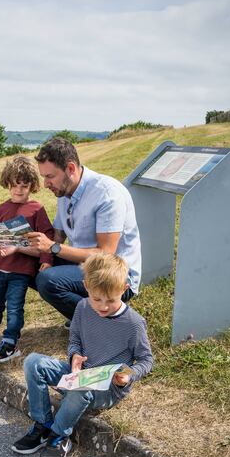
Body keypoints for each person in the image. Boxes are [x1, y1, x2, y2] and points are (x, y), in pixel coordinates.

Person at [11, 253, 153, 457]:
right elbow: (75, 338)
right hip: (79, 374)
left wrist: (128, 375)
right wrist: (74, 355)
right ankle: (42, 425)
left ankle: (59, 436)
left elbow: (146, 359)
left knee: (81, 389)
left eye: (111, 300)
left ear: (124, 289)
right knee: (33, 362)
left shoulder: (133, 323)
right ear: (86, 286)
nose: (103, 306)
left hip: (107, 389)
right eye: (97, 299)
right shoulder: (83, 307)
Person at [25, 137, 141, 326]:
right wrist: (26, 247)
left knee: (48, 280)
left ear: (70, 169)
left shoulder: (106, 193)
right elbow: (58, 235)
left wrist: (52, 247)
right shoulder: (64, 191)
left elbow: (105, 254)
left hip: (115, 274)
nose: (45, 184)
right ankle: (84, 314)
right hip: (84, 264)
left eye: (49, 176)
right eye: (43, 177)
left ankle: (107, 322)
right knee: (28, 264)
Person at [0, 156, 55, 363]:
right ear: (7, 184)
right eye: (15, 185)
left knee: (14, 307)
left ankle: (10, 341)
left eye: (24, 185)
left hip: (20, 273)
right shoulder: (1, 208)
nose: (19, 190)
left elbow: (47, 236)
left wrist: (47, 260)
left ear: (32, 184)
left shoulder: (37, 209)